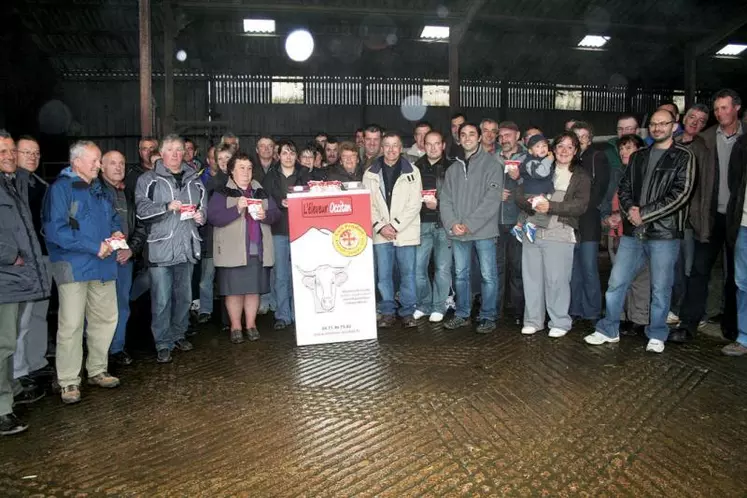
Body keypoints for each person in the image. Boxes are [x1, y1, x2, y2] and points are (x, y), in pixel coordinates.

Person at [585, 110, 696, 353]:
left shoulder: (684, 156)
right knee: (616, 282)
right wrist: (630, 212)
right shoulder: (639, 156)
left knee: (660, 287)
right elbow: (624, 188)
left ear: (673, 126)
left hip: (664, 234)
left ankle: (657, 333)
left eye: (663, 124)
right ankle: (608, 329)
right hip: (633, 233)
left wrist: (644, 213)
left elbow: (681, 194)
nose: (657, 128)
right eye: (653, 124)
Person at [43, 141, 122, 404]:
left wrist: (116, 232)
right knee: (71, 325)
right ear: (76, 162)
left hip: (102, 264)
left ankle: (97, 370)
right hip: (73, 265)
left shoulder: (99, 189)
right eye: (95, 160)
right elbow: (56, 230)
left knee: (105, 319)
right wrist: (93, 246)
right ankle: (68, 381)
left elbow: (112, 218)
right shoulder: (61, 189)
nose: (99, 165)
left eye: (99, 160)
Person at [670, 89, 743, 344]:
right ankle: (688, 323)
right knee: (699, 270)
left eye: (724, 108)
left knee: (736, 273)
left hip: (739, 218)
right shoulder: (706, 139)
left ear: (737, 108)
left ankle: (732, 326)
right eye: (717, 109)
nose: (720, 113)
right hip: (709, 216)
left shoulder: (746, 136)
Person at [135, 135, 207, 363]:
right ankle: (162, 342)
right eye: (171, 150)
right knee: (162, 299)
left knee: (184, 298)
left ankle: (178, 334)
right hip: (161, 249)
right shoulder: (148, 179)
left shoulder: (194, 180)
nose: (176, 154)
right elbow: (141, 210)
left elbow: (203, 209)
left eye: (179, 150)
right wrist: (166, 207)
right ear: (162, 153)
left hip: (186, 246)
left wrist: (200, 216)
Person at [517, 132, 591, 338]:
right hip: (532, 229)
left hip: (560, 231)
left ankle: (559, 321)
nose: (564, 151)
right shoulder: (540, 167)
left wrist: (551, 205)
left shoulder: (580, 176)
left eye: (570, 147)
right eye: (560, 146)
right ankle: (533, 320)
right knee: (531, 278)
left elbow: (580, 206)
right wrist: (531, 203)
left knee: (556, 279)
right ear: (553, 149)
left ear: (576, 151)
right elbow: (518, 195)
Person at [0, 130, 50, 434]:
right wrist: (12, 256)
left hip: (18, 276)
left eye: (9, 151)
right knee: (3, 344)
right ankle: (2, 408)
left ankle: (9, 393)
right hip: (6, 276)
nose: (8, 156)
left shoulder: (15, 183)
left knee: (9, 340)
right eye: (2, 152)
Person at [208, 153, 280, 343]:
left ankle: (251, 325)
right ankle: (236, 327)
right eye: (241, 167)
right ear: (231, 170)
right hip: (232, 251)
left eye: (249, 168)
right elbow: (214, 217)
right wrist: (236, 209)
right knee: (234, 291)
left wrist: (265, 215)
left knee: (252, 290)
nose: (246, 172)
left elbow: (275, 214)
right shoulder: (222, 191)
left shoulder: (260, 190)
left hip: (256, 249)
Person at [440, 122, 504, 333]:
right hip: (459, 232)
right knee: (461, 275)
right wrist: (452, 224)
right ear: (459, 139)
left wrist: (468, 224)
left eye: (472, 134)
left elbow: (492, 200)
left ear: (479, 138)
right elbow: (446, 200)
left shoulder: (493, 165)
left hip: (483, 231)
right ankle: (462, 313)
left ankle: (488, 316)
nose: (467, 138)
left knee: (488, 275)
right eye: (463, 135)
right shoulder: (453, 169)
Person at [363, 132, 422, 328]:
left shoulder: (413, 171)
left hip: (404, 231)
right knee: (384, 275)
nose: (391, 149)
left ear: (401, 148)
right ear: (382, 147)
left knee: (408, 274)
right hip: (381, 233)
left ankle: (407, 312)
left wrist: (394, 225)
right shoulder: (370, 172)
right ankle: (387, 311)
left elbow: (415, 204)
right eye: (387, 145)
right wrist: (381, 227)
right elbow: (367, 204)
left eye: (395, 145)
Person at [13, 136, 54, 392]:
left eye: (36, 153)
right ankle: (18, 370)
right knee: (20, 319)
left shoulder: (41, 185)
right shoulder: (9, 186)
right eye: (26, 152)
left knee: (39, 313)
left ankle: (36, 361)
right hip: (20, 261)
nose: (32, 157)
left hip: (43, 257)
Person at [100, 150, 147, 367]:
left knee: (122, 305)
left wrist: (131, 250)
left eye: (121, 163)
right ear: (102, 166)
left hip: (124, 259)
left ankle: (117, 348)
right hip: (101, 258)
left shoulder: (128, 193)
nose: (118, 168)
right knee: (99, 307)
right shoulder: (95, 192)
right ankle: (97, 351)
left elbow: (140, 226)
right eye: (113, 163)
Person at [262, 139, 309, 330]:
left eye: (291, 153)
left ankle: (300, 314)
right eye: (284, 153)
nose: (288, 157)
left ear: (296, 156)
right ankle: (283, 315)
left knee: (300, 274)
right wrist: (280, 203)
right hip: (279, 230)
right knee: (281, 275)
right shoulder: (270, 177)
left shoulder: (305, 174)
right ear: (278, 155)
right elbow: (265, 200)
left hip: (302, 232)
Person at [605, 134, 649, 337]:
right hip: (616, 233)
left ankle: (639, 319)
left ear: (640, 150)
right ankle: (620, 317)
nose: (624, 152)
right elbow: (605, 201)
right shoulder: (617, 173)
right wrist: (607, 218)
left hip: (638, 233)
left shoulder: (646, 173)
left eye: (629, 148)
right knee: (618, 278)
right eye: (622, 148)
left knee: (640, 278)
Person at [569, 122, 610, 324]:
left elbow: (599, 190)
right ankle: (574, 309)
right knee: (573, 270)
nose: (580, 139)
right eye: (575, 136)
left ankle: (593, 311)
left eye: (583, 136)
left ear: (590, 139)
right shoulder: (568, 160)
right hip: (568, 223)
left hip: (588, 222)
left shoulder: (597, 158)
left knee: (589, 268)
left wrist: (578, 209)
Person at [413, 130, 452, 323]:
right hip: (421, 223)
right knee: (418, 268)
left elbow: (459, 197)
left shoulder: (453, 167)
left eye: (437, 143)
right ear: (423, 145)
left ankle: (439, 306)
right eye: (429, 144)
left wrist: (439, 203)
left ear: (443, 145)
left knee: (442, 268)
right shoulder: (415, 168)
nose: (433, 147)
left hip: (444, 224)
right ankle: (424, 304)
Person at [494, 121, 526, 326]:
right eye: (501, 136)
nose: (504, 139)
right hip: (495, 222)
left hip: (519, 222)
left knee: (517, 269)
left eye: (508, 135)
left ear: (518, 136)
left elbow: (537, 187)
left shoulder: (528, 158)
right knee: (496, 268)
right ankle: (494, 311)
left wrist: (520, 178)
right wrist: (494, 193)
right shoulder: (491, 159)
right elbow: (481, 187)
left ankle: (517, 311)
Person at [723, 129, 747, 355]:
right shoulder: (742, 145)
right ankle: (744, 338)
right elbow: (734, 182)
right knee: (742, 283)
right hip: (744, 223)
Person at [510, 134, 554, 243]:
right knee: (542, 210)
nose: (542, 148)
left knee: (526, 211)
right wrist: (549, 160)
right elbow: (541, 173)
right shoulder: (531, 162)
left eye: (544, 146)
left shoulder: (539, 160)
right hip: (535, 192)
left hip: (533, 191)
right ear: (530, 151)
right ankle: (531, 225)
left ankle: (518, 227)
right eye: (537, 146)